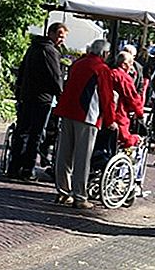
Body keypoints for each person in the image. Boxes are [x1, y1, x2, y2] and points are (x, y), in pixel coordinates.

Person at [53, 39, 117, 209]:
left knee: (64, 154)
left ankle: (62, 192)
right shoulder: (102, 69)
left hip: (68, 111)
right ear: (104, 53)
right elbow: (107, 97)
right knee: (82, 157)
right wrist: (110, 121)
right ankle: (80, 196)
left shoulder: (78, 63)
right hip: (87, 115)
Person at [7, 23, 69, 181]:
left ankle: (14, 166)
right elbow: (55, 76)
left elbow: (22, 70)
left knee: (22, 132)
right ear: (51, 33)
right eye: (60, 35)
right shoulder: (49, 50)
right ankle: (28, 169)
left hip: (27, 95)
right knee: (35, 134)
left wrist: (19, 90)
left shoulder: (33, 47)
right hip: (42, 98)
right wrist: (61, 95)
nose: (62, 39)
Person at [111, 51, 144, 148]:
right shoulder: (124, 78)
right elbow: (133, 98)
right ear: (124, 65)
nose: (131, 67)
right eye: (130, 64)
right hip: (119, 113)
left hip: (106, 113)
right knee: (126, 139)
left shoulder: (110, 73)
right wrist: (140, 113)